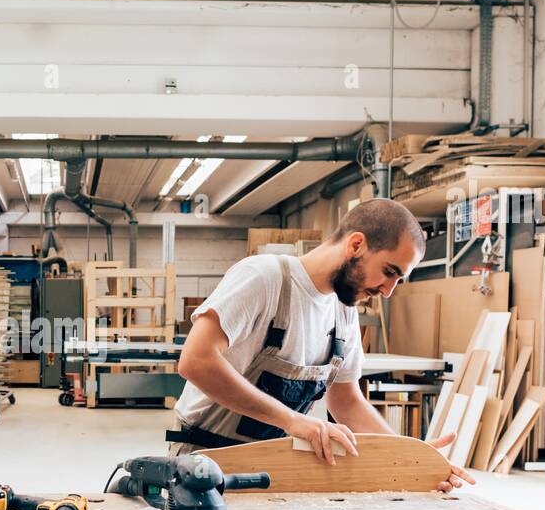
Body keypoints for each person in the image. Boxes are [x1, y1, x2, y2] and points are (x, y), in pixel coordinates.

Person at [169, 197, 473, 493]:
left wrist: (408, 456)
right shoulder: (265, 278)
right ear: (357, 245)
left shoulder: (343, 313)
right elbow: (196, 361)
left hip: (271, 464)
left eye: (398, 280)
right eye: (389, 271)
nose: (389, 291)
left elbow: (347, 401)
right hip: (204, 461)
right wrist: (293, 421)